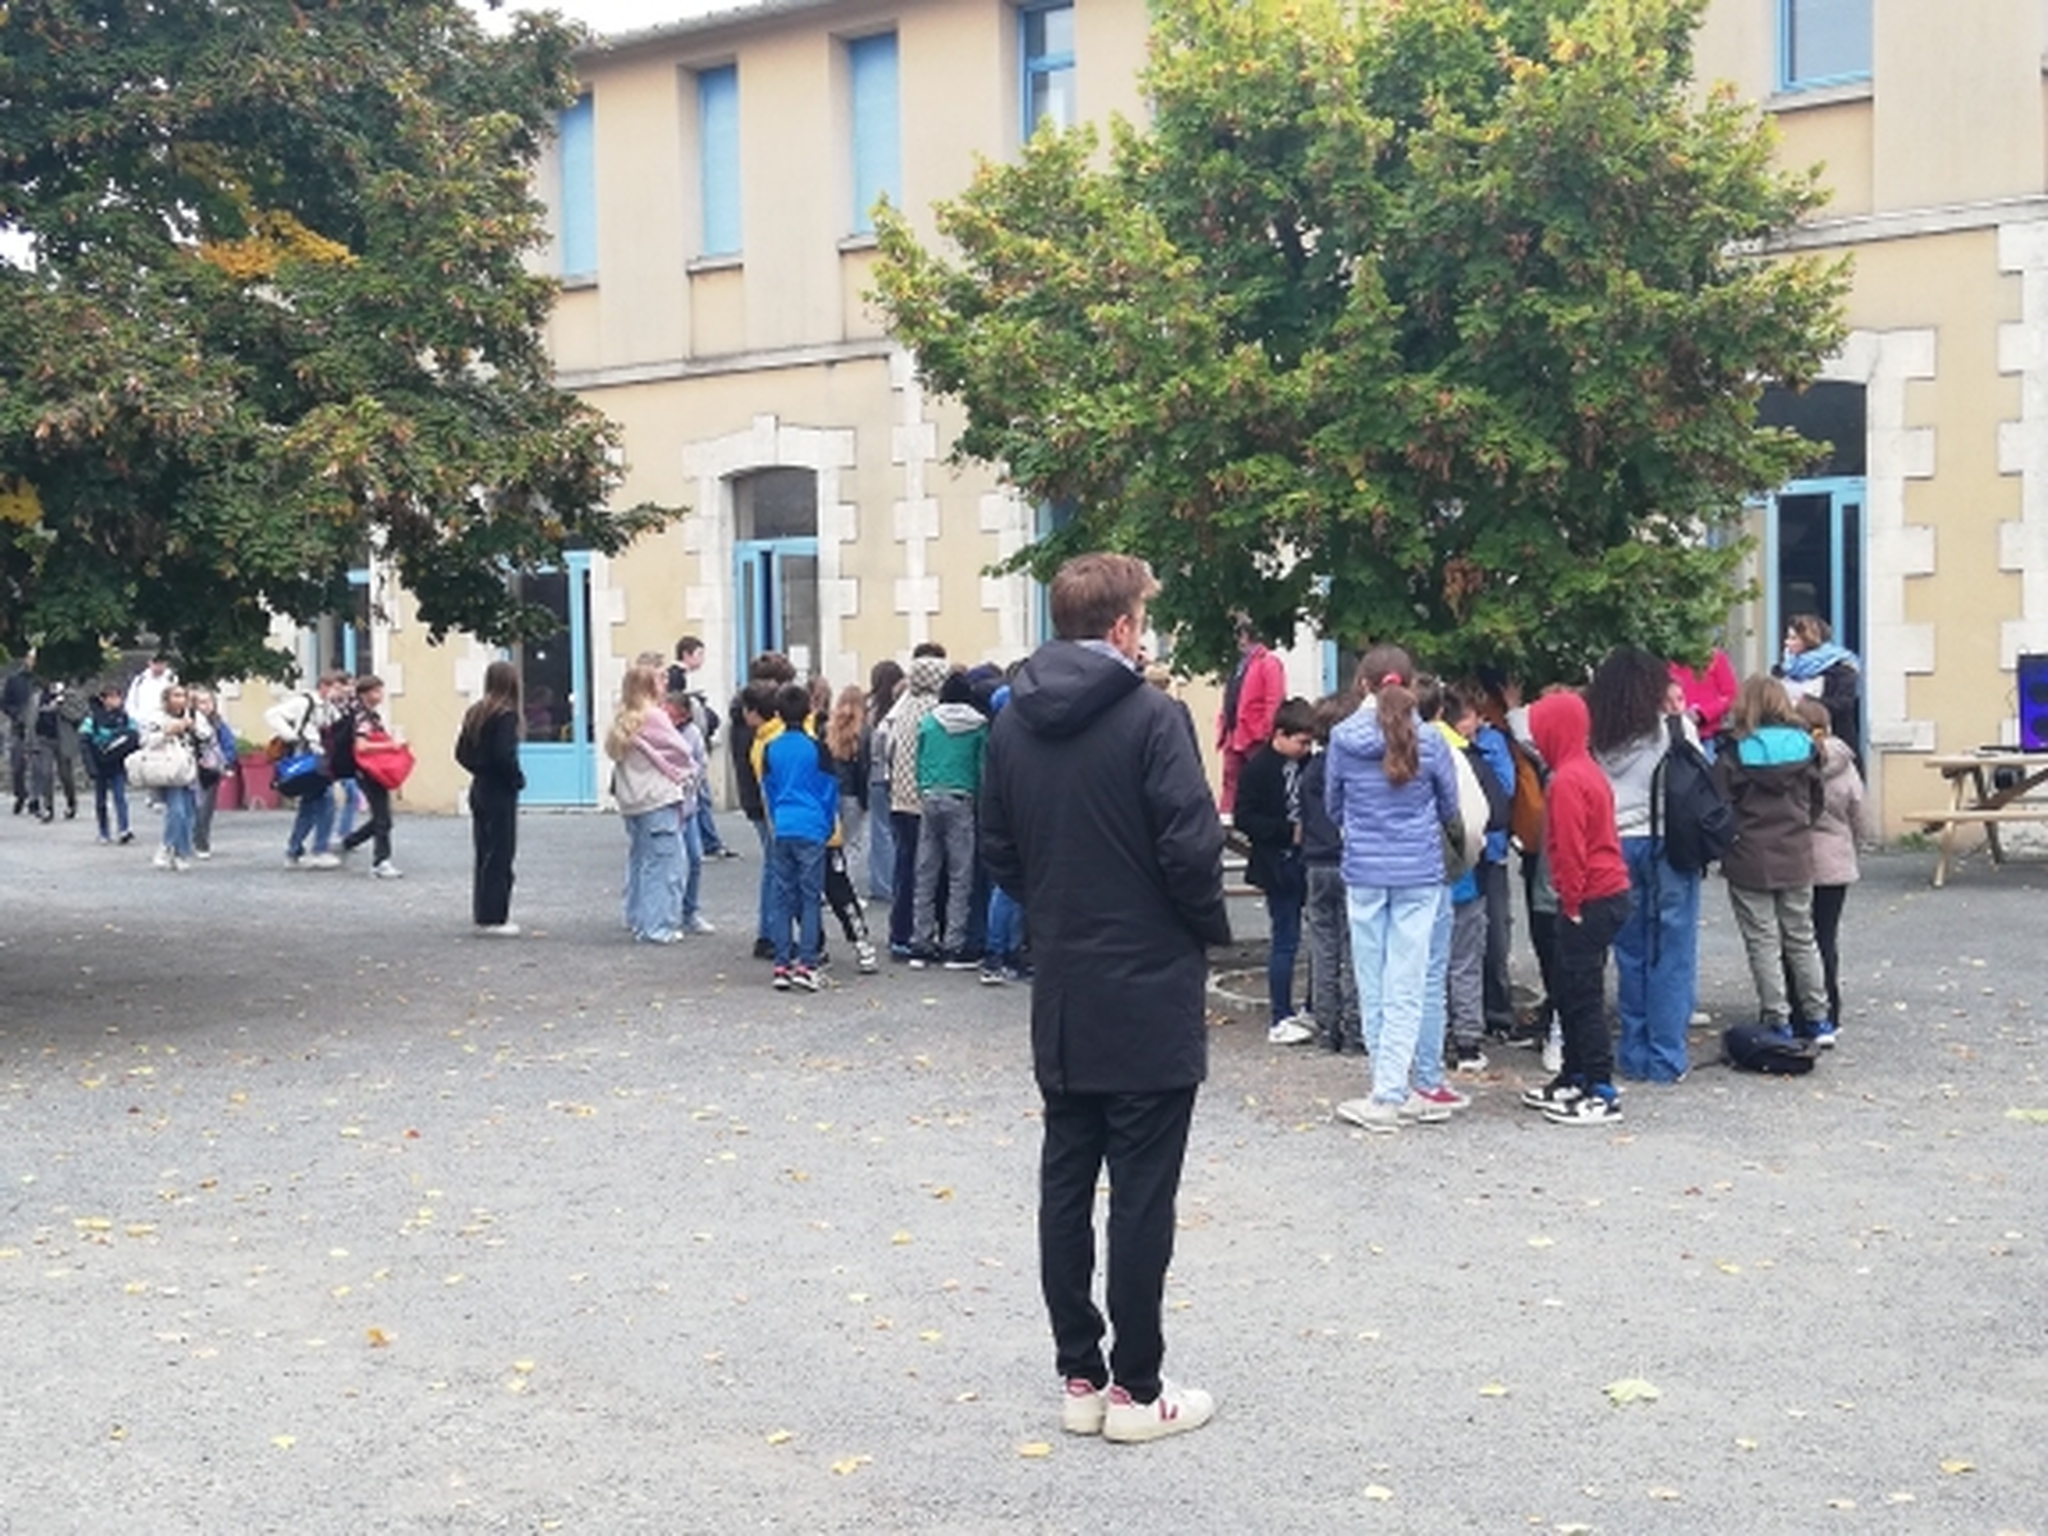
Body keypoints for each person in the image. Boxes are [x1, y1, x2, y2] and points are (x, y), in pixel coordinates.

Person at [981, 551, 1229, 1444]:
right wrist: (1196, 928)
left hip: (1066, 984)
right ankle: (1138, 1386)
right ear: (1123, 627)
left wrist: (1053, 911)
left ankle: (1080, 1374)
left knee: (1066, 1180)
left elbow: (999, 849)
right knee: (1141, 1193)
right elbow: (1191, 846)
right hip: (1148, 979)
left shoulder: (1011, 724)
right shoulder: (1155, 717)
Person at [1325, 646, 1463, 1134]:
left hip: (1364, 869)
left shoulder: (1343, 738)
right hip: (1419, 871)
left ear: (1362, 684)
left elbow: (1333, 804)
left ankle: (1385, 1091)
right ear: (1409, 682)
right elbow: (1449, 807)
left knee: (1373, 981)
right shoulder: (1431, 739)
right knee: (1408, 983)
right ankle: (1395, 1091)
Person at [1588, 646, 1702, 1084]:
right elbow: (1699, 780)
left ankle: (1633, 1052)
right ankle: (1666, 1055)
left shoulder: (1599, 736)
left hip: (1616, 844)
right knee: (1672, 950)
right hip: (1667, 841)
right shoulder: (1673, 729)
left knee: (1630, 951)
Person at [1523, 689, 1633, 1124]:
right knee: (1571, 991)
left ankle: (1601, 1088)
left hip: (1589, 897)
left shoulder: (1566, 780)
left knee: (1582, 996)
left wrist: (1570, 902)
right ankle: (1575, 1075)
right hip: (1605, 892)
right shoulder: (1587, 769)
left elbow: (1569, 850)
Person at [1715, 675, 1832, 1044]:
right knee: (1802, 937)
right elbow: (1817, 802)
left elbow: (1719, 806)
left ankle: (1777, 1018)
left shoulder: (1734, 751)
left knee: (1762, 940)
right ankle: (1818, 1018)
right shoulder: (1806, 747)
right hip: (1795, 852)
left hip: (1749, 855)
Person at [1232, 696, 1317, 1045]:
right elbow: (1245, 817)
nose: (1306, 749)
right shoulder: (1258, 769)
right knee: (1285, 937)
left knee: (1320, 938)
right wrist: (1286, 831)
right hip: (1277, 861)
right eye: (1301, 742)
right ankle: (1281, 1013)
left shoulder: (1310, 766)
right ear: (1280, 735)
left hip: (1310, 860)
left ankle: (1313, 1006)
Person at [1791, 697, 1869, 1040]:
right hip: (1835, 860)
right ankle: (1830, 1011)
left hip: (1796, 858)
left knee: (1795, 939)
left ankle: (1798, 1011)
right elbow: (1858, 811)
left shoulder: (1791, 763)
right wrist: (1855, 845)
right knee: (1825, 937)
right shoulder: (1845, 763)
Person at [607, 664, 697, 944]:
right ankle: (659, 926)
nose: (664, 685)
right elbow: (681, 751)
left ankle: (640, 919)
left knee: (643, 863)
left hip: (633, 801)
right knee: (666, 865)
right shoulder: (654, 716)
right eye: (659, 680)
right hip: (657, 798)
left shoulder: (624, 718)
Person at [760, 681, 839, 991]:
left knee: (782, 897)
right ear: (809, 712)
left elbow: (769, 789)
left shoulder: (771, 749)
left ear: (778, 714)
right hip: (812, 824)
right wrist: (828, 824)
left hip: (783, 823)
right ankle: (807, 962)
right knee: (810, 897)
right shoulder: (817, 748)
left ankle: (782, 963)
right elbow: (829, 790)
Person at [910, 671, 988, 968]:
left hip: (930, 797)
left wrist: (923, 787)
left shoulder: (929, 722)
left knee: (926, 873)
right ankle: (954, 944)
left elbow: (919, 760)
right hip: (961, 798)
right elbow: (982, 769)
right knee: (960, 875)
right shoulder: (979, 726)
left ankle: (921, 942)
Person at [1300, 693, 1360, 1053]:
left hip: (1316, 862)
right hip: (1348, 860)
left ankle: (1327, 1027)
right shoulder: (1353, 767)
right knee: (1354, 948)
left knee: (1323, 948)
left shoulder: (1311, 769)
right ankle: (1354, 1028)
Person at [885, 653, 949, 958]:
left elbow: (888, 749)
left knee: (904, 867)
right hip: (922, 800)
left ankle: (899, 932)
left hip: (900, 799)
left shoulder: (903, 709)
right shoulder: (935, 711)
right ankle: (921, 934)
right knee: (927, 872)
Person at [457, 660, 525, 935]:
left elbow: (461, 752)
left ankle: (483, 912)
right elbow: (503, 754)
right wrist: (516, 779)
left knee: (484, 851)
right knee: (501, 853)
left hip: (480, 787)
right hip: (499, 790)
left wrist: (479, 768)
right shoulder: (506, 715)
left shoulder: (476, 711)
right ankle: (495, 916)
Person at [266, 673, 345, 870]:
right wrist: (291, 736)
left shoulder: (330, 708)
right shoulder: (305, 702)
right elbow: (272, 715)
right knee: (325, 802)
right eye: (336, 688)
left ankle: (295, 850)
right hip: (307, 757)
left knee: (310, 806)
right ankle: (317, 850)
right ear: (324, 686)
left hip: (320, 758)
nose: (339, 693)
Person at [668, 634, 731, 859]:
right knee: (699, 798)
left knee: (700, 798)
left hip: (693, 746)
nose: (702, 659)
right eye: (699, 654)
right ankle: (709, 843)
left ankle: (709, 841)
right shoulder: (678, 677)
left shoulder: (681, 677)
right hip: (690, 749)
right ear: (686, 655)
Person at [1215, 620, 1285, 815]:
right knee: (1230, 781)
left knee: (1259, 782)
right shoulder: (1240, 665)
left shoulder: (1268, 663)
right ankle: (1227, 820)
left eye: (1241, 634)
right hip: (1234, 735)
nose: (1238, 640)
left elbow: (1274, 700)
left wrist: (1266, 732)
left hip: (1255, 737)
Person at [335, 675, 400, 878]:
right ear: (365, 694)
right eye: (376, 691)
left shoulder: (368, 714)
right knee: (383, 818)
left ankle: (349, 842)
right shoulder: (363, 717)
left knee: (382, 818)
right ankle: (381, 861)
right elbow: (361, 746)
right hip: (368, 770)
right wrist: (390, 746)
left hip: (370, 769)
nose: (380, 695)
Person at [1775, 613, 1862, 766]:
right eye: (1788, 637)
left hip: (1832, 742)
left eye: (1793, 638)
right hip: (1790, 741)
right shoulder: (1782, 670)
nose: (1787, 643)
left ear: (1809, 639)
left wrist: (1807, 705)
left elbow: (1844, 703)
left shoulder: (1841, 670)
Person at [143, 681, 212, 871]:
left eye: (183, 696)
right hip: (168, 768)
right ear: (166, 699)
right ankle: (170, 848)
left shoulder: (194, 716)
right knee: (177, 811)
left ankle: (177, 852)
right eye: (176, 695)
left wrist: (193, 727)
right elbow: (146, 741)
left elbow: (207, 735)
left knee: (189, 814)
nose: (181, 700)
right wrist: (168, 731)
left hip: (190, 768)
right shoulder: (157, 717)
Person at [864, 660, 904, 902]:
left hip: (878, 776)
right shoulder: (903, 709)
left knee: (880, 830)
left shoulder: (872, 711)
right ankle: (897, 880)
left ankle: (883, 883)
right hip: (899, 775)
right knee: (898, 831)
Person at [80, 685, 137, 844]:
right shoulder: (92, 720)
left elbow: (134, 736)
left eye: (118, 696)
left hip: (118, 764)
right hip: (99, 765)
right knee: (101, 801)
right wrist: (90, 766)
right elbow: (84, 743)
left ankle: (124, 829)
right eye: (111, 697)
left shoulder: (125, 718)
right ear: (103, 700)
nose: (115, 700)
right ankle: (103, 831)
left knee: (120, 797)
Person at [187, 685, 237, 858]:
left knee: (205, 809)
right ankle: (190, 840)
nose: (206, 706)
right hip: (190, 769)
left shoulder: (218, 723)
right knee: (191, 807)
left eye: (209, 702)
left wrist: (224, 761)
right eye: (201, 702)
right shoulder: (189, 722)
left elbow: (229, 745)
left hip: (211, 771)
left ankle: (201, 842)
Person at [1670, 647, 1739, 757]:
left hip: (1706, 736)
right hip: (1673, 735)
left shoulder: (1715, 657)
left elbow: (1730, 695)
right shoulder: (1669, 656)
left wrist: (1702, 713)